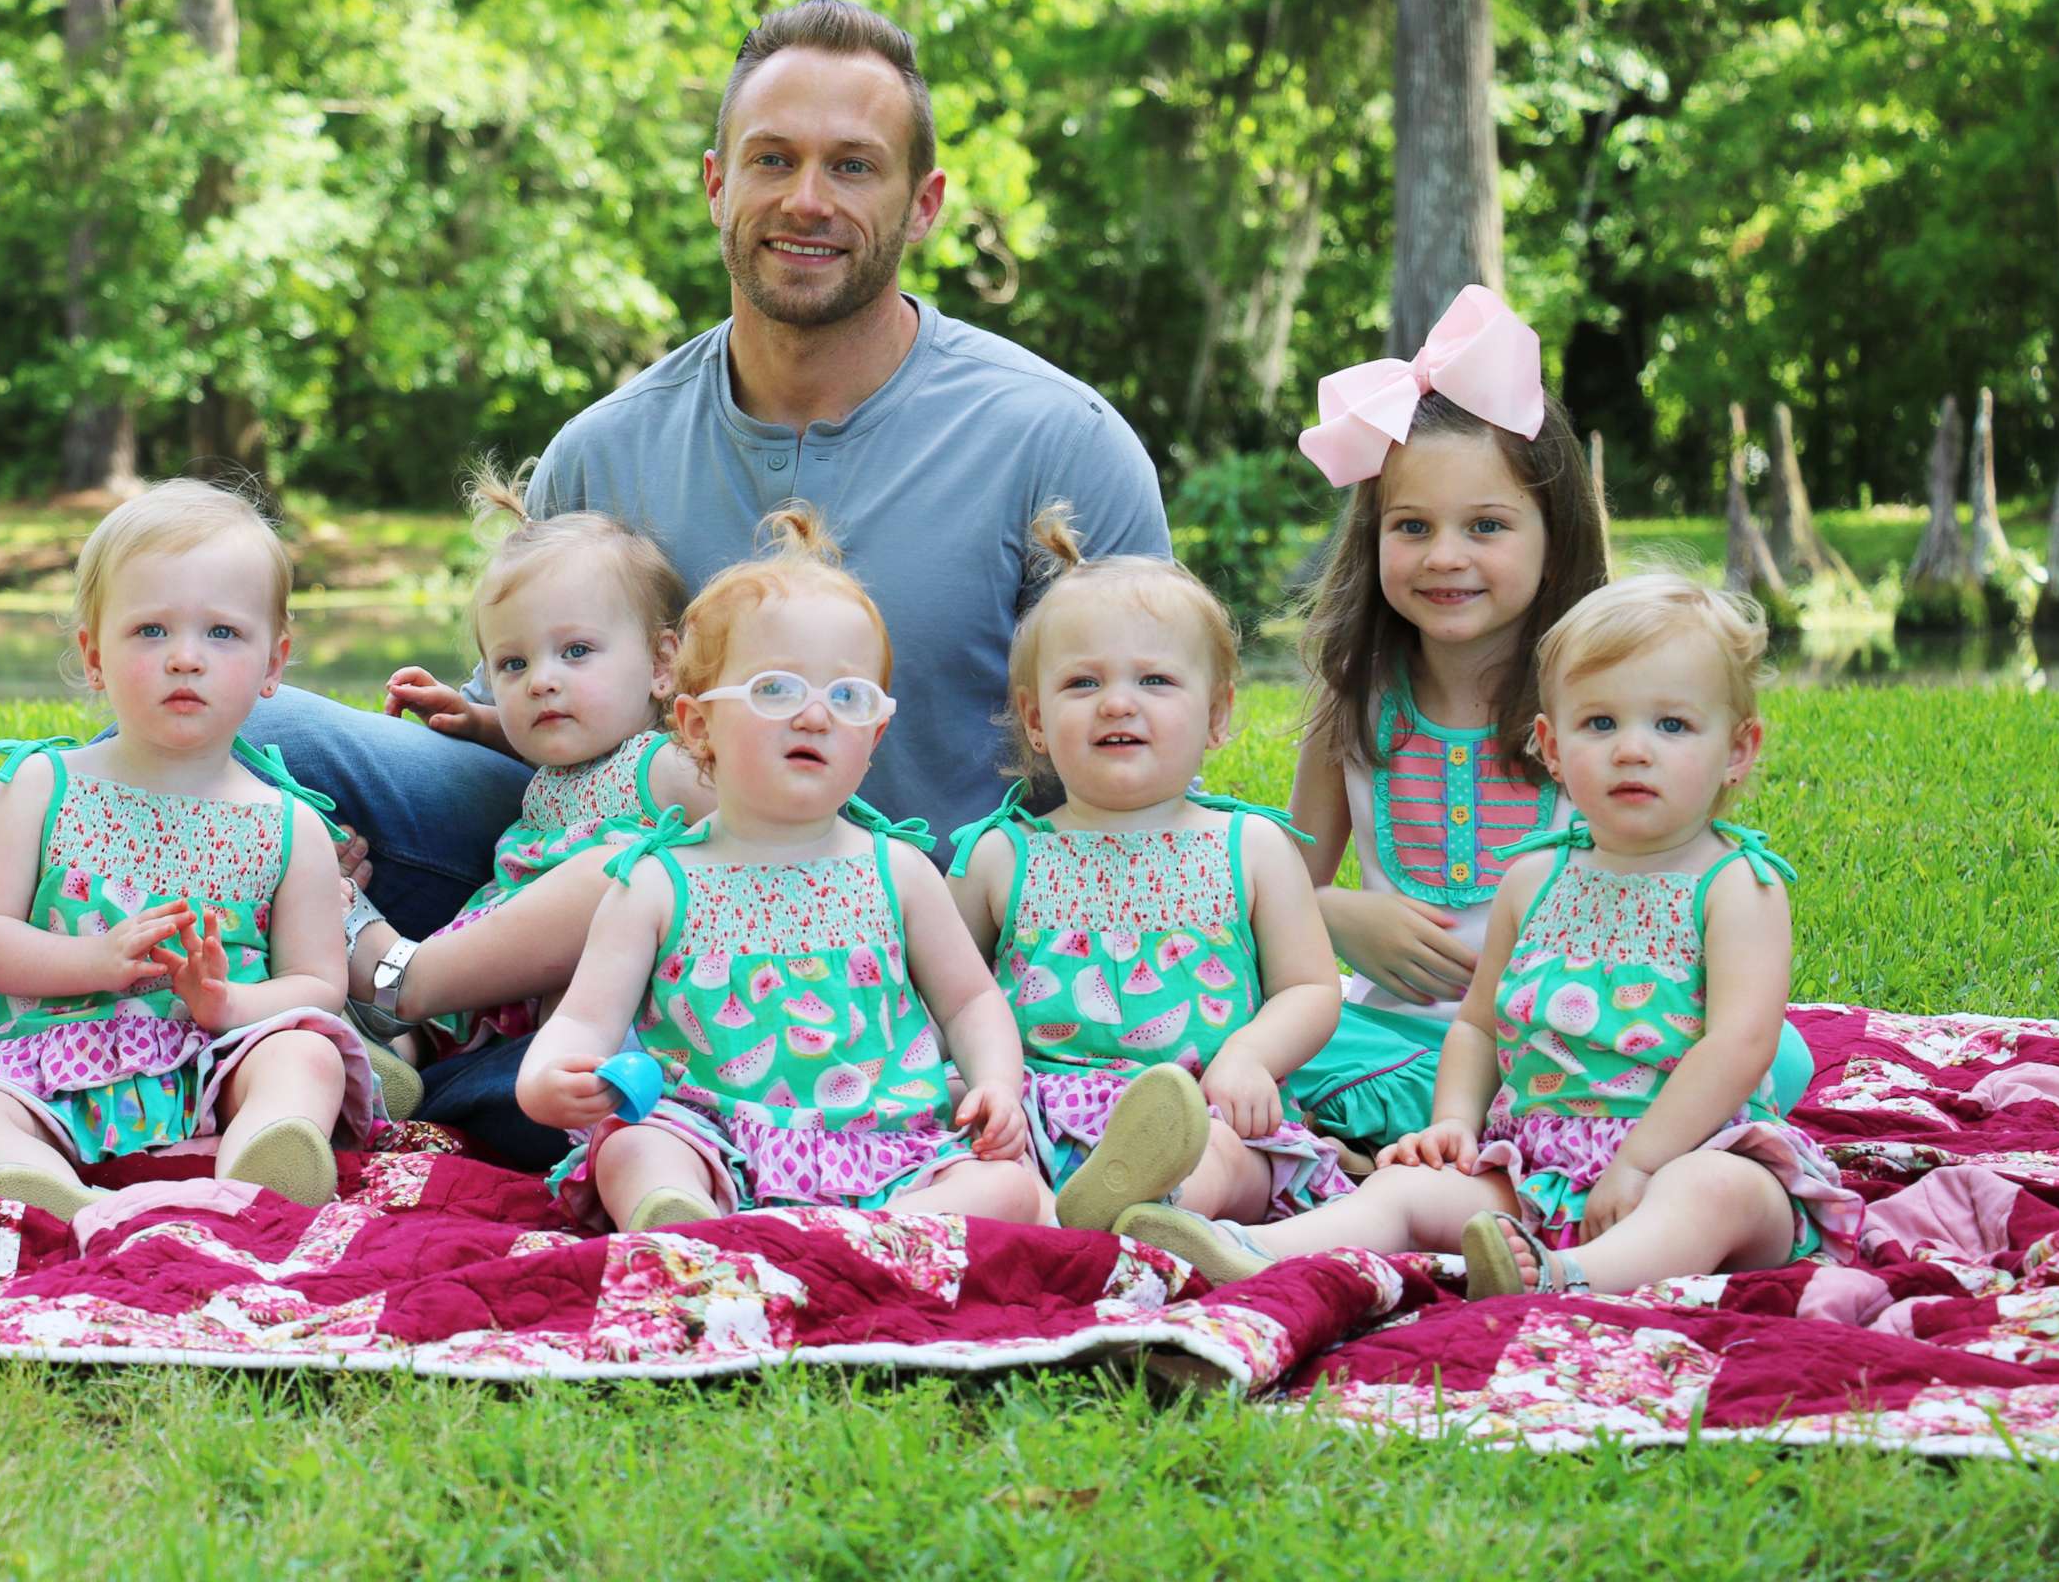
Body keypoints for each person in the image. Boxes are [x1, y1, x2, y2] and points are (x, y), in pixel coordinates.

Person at [0, 0, 1163, 1167]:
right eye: (773, 157)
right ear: (715, 180)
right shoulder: (610, 444)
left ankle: (375, 1050)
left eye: (855, 166)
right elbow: (586, 741)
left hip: (880, 912)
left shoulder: (1049, 445)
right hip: (600, 853)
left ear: (923, 199)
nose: (809, 198)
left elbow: (1129, 750)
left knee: (506, 1049)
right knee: (236, 722)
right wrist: (503, 724)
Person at [1115, 574, 1863, 1294]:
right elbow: (1477, 1025)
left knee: (1715, 1193)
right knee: (1410, 1186)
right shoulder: (1534, 879)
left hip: (1683, 1154)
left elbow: (1738, 1046)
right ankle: (1249, 1247)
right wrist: (1452, 1127)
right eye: (1600, 724)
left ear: (1738, 749)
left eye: (1672, 725)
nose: (1633, 749)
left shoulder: (1735, 885)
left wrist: (1639, 1164)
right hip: (1538, 1168)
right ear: (1551, 747)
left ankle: (1571, 1278)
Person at [1274, 285, 1812, 1146]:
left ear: (1554, 535)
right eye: (1411, 527)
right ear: (1373, 540)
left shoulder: (1600, 711)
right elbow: (1280, 886)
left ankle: (1411, 1131)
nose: (1446, 556)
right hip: (1393, 1031)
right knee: (1254, 1037)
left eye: (1486, 525)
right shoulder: (1355, 704)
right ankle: (1460, 1122)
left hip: (1574, 1029)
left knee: (1774, 1054)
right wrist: (1337, 915)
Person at [517, 508, 1047, 1232]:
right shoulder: (656, 882)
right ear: (697, 725)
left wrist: (994, 1083)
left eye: (848, 697)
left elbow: (970, 1003)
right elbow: (584, 1017)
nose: (815, 717)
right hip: (720, 1146)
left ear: (875, 735)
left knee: (1008, 1190)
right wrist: (551, 1077)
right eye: (776, 690)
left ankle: (861, 1239)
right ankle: (690, 1225)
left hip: (889, 1153)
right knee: (634, 1148)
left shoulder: (899, 872)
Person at [0, 481, 393, 1220]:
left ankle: (260, 1161)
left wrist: (230, 1003)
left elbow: (318, 985)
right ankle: (45, 1189)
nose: (186, 658)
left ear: (274, 664)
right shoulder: (43, 784)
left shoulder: (290, 826)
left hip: (216, 1065)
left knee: (307, 1055)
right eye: (151, 631)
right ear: (94, 657)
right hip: (50, 1064)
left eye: (222, 633)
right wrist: (92, 962)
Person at [945, 505, 1349, 1241]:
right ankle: (1052, 1216)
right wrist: (983, 1093)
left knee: (1230, 1161)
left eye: (1156, 679)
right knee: (981, 1174)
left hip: (1204, 1109)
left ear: (1219, 715)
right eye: (1082, 684)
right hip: (1041, 1117)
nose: (1119, 702)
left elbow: (1312, 987)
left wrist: (1250, 1059)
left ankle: (1160, 1208)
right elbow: (943, 994)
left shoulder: (1250, 847)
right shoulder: (1002, 856)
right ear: (1035, 721)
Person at [346, 464, 712, 1078]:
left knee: (613, 874)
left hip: (611, 987)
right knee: (422, 1041)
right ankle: (392, 1061)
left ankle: (403, 985)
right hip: (507, 979)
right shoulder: (566, 762)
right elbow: (549, 738)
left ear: (661, 663)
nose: (542, 680)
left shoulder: (665, 763)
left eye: (575, 652)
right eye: (513, 664)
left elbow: (754, 820)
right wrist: (480, 721)